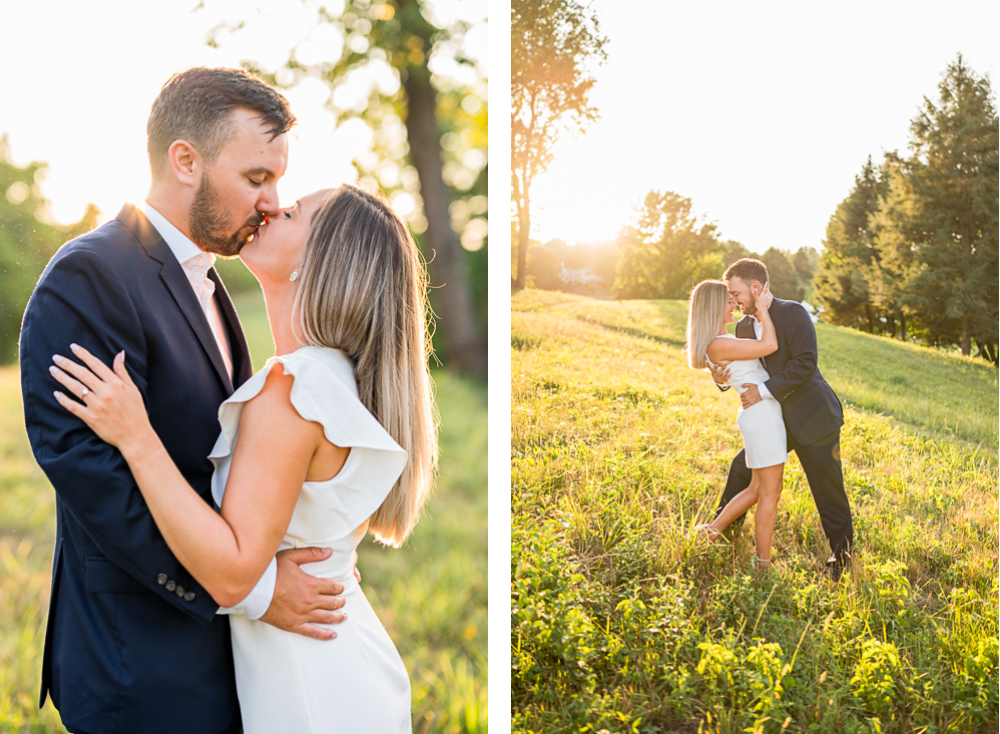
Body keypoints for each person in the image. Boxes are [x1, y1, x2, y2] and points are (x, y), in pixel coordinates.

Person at [20, 68, 349, 734]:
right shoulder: (90, 276)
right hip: (140, 666)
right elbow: (94, 477)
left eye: (279, 183)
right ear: (186, 160)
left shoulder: (211, 282)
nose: (270, 202)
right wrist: (253, 589)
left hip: (222, 662)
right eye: (257, 179)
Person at [48, 184, 438, 733]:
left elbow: (233, 576)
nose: (275, 205)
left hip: (307, 680)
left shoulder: (291, 389)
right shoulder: (333, 380)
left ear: (319, 259)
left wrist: (137, 437)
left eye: (295, 210)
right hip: (341, 660)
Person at [710, 258, 853, 580]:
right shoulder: (744, 327)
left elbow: (804, 364)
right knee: (741, 467)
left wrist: (762, 392)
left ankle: (841, 557)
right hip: (774, 420)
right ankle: (723, 533)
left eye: (736, 293)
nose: (733, 301)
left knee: (827, 490)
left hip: (813, 416)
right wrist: (719, 377)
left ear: (756, 287)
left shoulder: (793, 313)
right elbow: (738, 368)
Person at [686, 280, 786, 570]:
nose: (734, 304)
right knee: (771, 491)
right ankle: (762, 562)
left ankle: (712, 532)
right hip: (762, 415)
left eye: (733, 299)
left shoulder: (718, 342)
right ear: (714, 306)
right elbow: (770, 345)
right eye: (728, 300)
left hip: (760, 414)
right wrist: (764, 309)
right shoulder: (719, 343)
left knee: (757, 488)